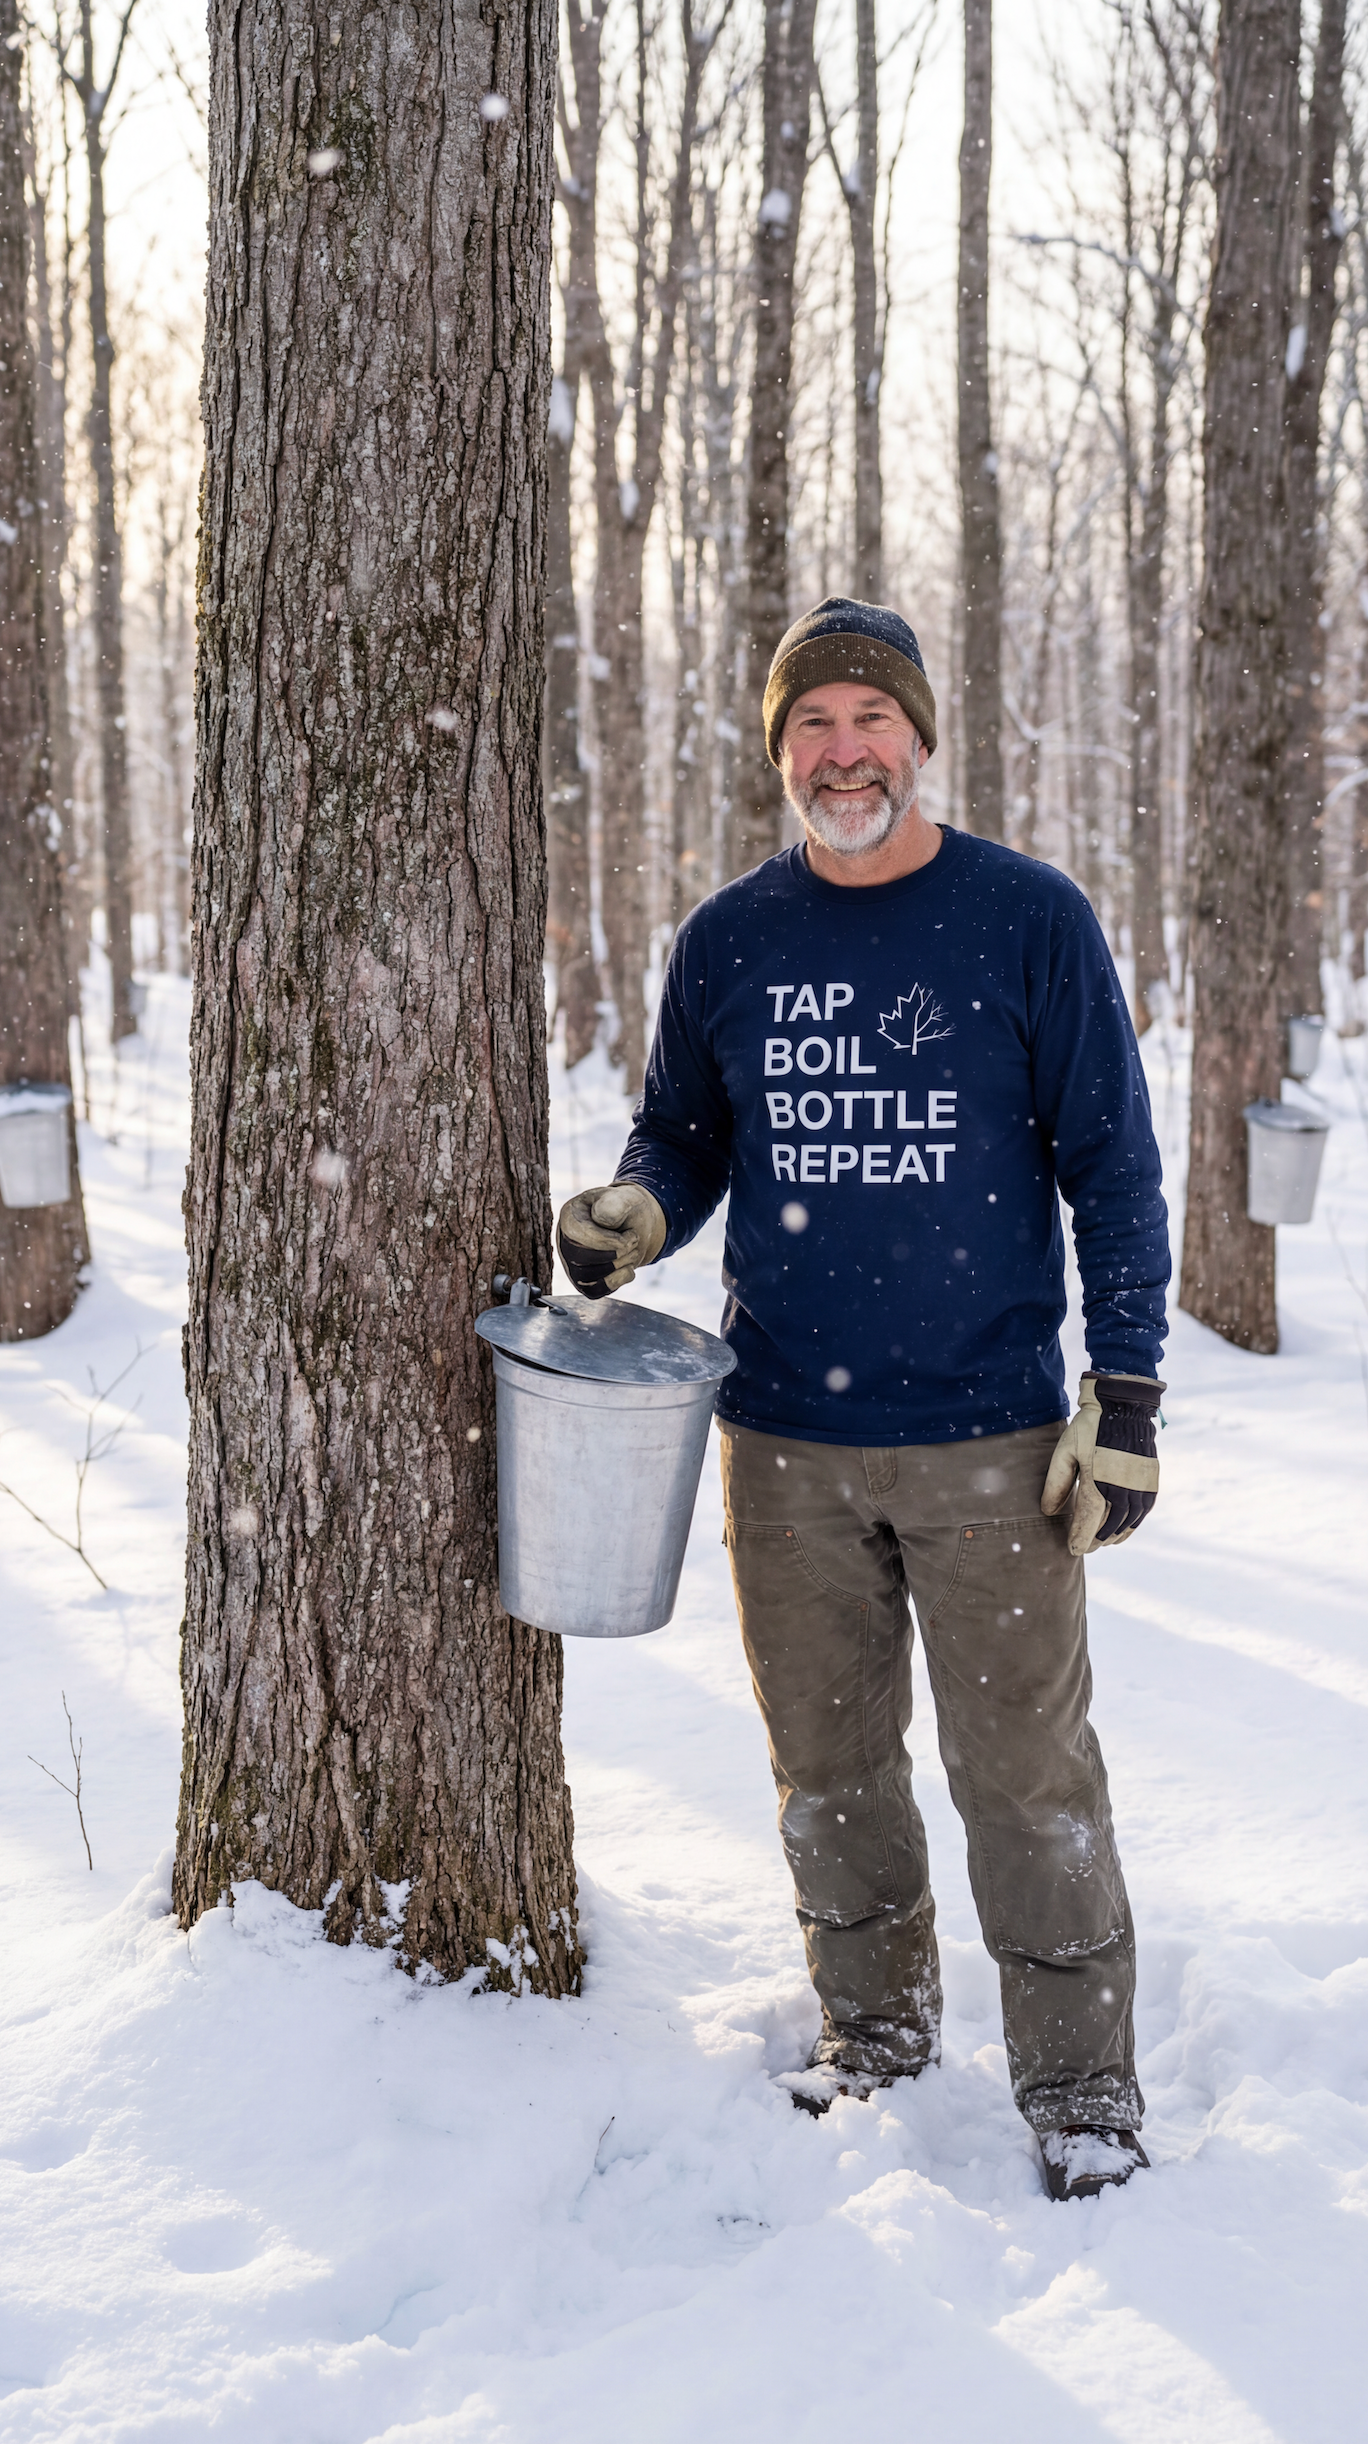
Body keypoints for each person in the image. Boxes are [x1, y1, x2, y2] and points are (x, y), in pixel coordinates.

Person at [556, 597, 1169, 2202]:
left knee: (1027, 1778)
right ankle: (878, 2036)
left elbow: (1112, 1165)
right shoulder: (733, 938)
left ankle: (1086, 2089)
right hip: (785, 1444)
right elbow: (686, 1132)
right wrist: (639, 1207)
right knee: (828, 1768)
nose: (844, 754)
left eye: (869, 722)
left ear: (918, 739)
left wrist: (1129, 1396)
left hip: (994, 1445)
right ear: (781, 755)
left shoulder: (1027, 919)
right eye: (812, 727)